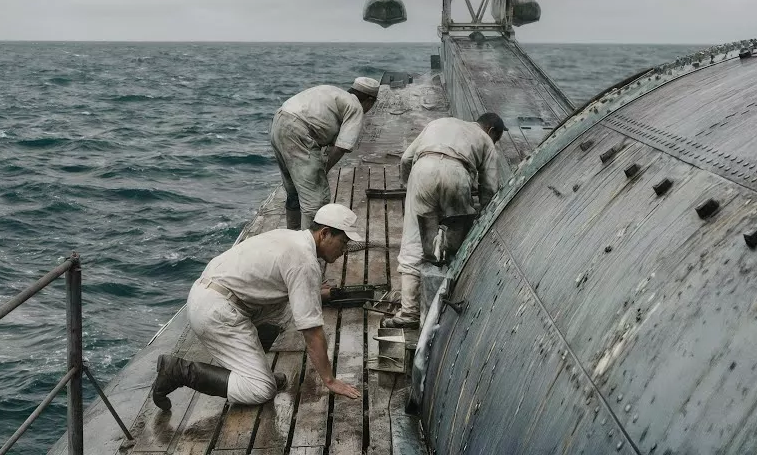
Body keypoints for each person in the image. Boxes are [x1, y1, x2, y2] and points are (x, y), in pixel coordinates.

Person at [152, 203, 364, 411]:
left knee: (287, 311)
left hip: (208, 293)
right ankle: (178, 371)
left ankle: (254, 368)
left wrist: (316, 292)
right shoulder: (305, 262)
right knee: (262, 389)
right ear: (325, 233)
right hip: (216, 312)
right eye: (343, 242)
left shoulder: (290, 237)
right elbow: (312, 332)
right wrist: (329, 380)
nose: (344, 250)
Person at [383, 113, 505, 329]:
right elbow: (490, 187)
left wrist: (410, 187)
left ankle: (409, 313)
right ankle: (446, 302)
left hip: (423, 170)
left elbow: (406, 159)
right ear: (491, 131)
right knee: (455, 244)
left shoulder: (438, 123)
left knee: (413, 242)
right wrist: (482, 215)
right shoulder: (485, 139)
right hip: (458, 175)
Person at [271, 78, 379, 230]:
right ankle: (309, 241)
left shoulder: (332, 92)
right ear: (370, 100)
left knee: (294, 191)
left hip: (278, 122)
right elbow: (341, 147)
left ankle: (292, 234)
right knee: (316, 199)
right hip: (298, 130)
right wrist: (322, 171)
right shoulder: (355, 107)